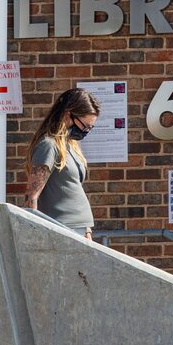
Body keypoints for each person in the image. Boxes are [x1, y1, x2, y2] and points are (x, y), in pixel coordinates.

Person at [24, 88, 100, 240]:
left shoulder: (71, 145)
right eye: (85, 126)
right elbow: (32, 196)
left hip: (80, 228)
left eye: (90, 128)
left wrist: (87, 229)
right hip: (61, 228)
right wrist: (34, 234)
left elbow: (74, 189)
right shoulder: (49, 145)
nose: (86, 131)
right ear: (68, 115)